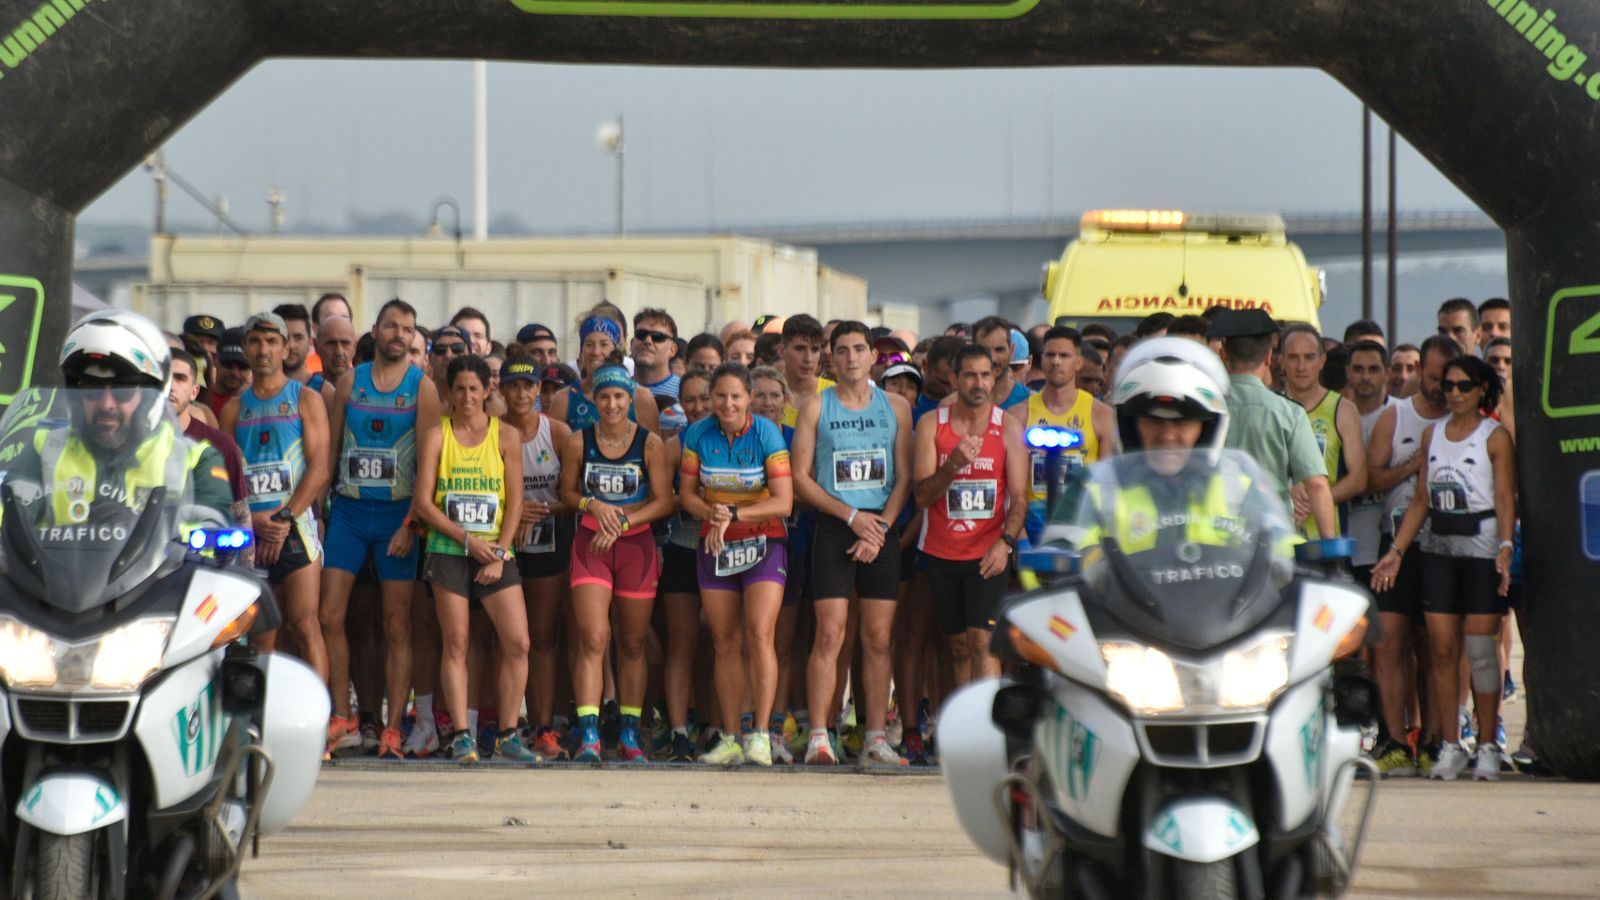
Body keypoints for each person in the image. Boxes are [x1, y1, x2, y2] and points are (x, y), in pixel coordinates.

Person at [1371, 354, 1514, 782]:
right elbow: (1421, 500)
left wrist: (1506, 545)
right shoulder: (1432, 435)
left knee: (1480, 651)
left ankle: (1487, 743)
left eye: (1463, 386)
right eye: (1448, 386)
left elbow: (1506, 497)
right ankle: (1449, 743)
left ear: (1481, 391)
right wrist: (1396, 550)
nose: (1453, 393)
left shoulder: (1495, 437)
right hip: (1437, 550)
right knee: (1442, 650)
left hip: (1481, 550)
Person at [321, 299, 442, 760]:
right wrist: (321, 506)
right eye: (391, 325)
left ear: (413, 337)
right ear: (376, 330)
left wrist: (412, 522)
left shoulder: (422, 388)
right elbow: (331, 450)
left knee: (397, 625)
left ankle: (392, 726)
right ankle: (342, 717)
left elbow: (427, 466)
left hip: (395, 516)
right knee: (330, 615)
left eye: (407, 328)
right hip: (350, 512)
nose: (398, 333)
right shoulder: (350, 382)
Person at [792, 322, 915, 766]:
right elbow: (800, 480)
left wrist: (879, 526)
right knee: (829, 634)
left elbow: (904, 476)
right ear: (831, 357)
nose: (851, 358)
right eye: (841, 350)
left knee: (879, 638)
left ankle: (876, 736)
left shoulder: (896, 407)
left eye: (859, 349)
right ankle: (819, 735)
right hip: (835, 526)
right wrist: (851, 517)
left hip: (880, 529)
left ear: (872, 357)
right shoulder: (814, 407)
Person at [412, 354, 535, 763]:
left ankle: (507, 734)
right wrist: (467, 541)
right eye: (460, 389)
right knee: (457, 641)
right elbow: (424, 505)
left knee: (518, 641)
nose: (467, 396)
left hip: (496, 551)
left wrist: (498, 551)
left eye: (474, 389)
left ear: (488, 391)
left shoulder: (506, 436)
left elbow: (516, 500)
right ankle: (463, 735)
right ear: (450, 392)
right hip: (449, 550)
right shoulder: (436, 436)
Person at [9, 311, 234, 528]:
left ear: (149, 398)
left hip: (160, 568)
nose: (106, 404)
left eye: (122, 392)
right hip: (51, 567)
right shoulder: (45, 447)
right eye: (92, 391)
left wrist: (139, 528)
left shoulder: (194, 459)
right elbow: (10, 508)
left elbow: (212, 528)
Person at [679, 362, 795, 767]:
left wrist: (730, 511)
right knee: (724, 640)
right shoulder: (697, 434)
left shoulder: (767, 433)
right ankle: (731, 735)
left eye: (736, 396)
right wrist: (712, 515)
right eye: (721, 396)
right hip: (716, 544)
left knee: (760, 633)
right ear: (710, 398)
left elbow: (784, 502)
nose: (727, 403)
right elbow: (687, 496)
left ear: (748, 399)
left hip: (764, 542)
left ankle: (760, 734)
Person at [558, 360, 673, 763]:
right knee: (592, 638)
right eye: (604, 396)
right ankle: (589, 733)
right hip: (592, 544)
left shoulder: (650, 443)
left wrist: (623, 519)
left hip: (635, 548)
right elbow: (567, 494)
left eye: (619, 397)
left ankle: (629, 731)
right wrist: (594, 505)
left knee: (633, 642)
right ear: (593, 398)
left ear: (631, 399)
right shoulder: (578, 440)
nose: (611, 405)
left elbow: (664, 501)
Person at [1364, 334, 1459, 776]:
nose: (1443, 388)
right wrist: (1413, 465)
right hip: (1398, 544)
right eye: (1437, 378)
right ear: (1421, 369)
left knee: (1437, 647)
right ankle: (1395, 740)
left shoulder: (1464, 421)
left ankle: (1438, 738)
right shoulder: (1395, 416)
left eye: (1451, 380)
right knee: (1387, 642)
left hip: (1445, 545)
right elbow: (1371, 479)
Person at [220, 311, 331, 680]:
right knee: (261, 634)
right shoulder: (235, 409)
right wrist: (255, 523)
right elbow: (228, 477)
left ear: (286, 348)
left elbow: (319, 470)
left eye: (271, 341)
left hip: (295, 527)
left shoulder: (307, 399)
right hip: (253, 531)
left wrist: (283, 520)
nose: (262, 349)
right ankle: (258, 723)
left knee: (304, 625)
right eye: (255, 341)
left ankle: (323, 723)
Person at [913, 343, 1028, 687]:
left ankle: (987, 734)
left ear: (993, 378)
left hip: (988, 553)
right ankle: (965, 731)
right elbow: (921, 495)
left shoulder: (1007, 426)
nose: (978, 383)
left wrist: (1005, 543)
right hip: (942, 552)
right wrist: (954, 466)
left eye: (985, 374)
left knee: (982, 642)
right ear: (953, 379)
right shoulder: (933, 424)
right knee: (959, 647)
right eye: (970, 375)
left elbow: (1019, 499)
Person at [500, 355, 576, 761]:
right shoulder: (491, 431)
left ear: (539, 391)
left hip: (548, 538)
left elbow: (573, 497)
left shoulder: (557, 433)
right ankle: (504, 724)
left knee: (543, 638)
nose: (522, 394)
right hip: (502, 540)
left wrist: (536, 510)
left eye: (529, 386)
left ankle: (544, 727)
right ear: (502, 390)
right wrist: (514, 510)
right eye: (513, 386)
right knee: (508, 639)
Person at [1209, 309, 1337, 538]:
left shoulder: (1205, 408)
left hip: (1216, 538)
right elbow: (1316, 484)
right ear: (1269, 357)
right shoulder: (1289, 413)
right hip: (1271, 538)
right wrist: (1332, 550)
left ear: (1223, 355)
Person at [658, 368, 715, 762]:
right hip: (683, 548)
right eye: (688, 400)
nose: (696, 407)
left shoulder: (736, 439)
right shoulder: (674, 445)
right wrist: (695, 500)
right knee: (681, 645)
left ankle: (716, 726)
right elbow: (663, 501)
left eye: (704, 399)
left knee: (720, 643)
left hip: (725, 553)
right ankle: (679, 731)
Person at [1012, 326, 1117, 508]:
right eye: (1050, 355)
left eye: (1064, 356)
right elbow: (1011, 488)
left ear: (1078, 362)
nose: (1056, 362)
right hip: (1033, 519)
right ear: (1042, 360)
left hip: (1080, 516)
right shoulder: (1018, 415)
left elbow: (1107, 484)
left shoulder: (1102, 415)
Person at [1279, 324, 1367, 538]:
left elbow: (1359, 479)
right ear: (1280, 361)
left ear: (1322, 361)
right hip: (1278, 537)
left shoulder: (1342, 409)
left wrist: (1314, 499)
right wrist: (1284, 494)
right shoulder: (1271, 408)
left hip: (1326, 539)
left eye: (1309, 357)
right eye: (1293, 357)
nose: (1301, 366)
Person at [547, 306, 662, 435]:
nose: (596, 352)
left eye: (604, 344)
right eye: (589, 344)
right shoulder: (564, 399)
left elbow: (653, 450)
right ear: (581, 352)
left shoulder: (640, 397)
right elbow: (553, 451)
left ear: (616, 351)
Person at [1344, 340, 1397, 586]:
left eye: (1373, 369)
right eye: (1358, 369)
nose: (1365, 377)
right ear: (1348, 372)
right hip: (1346, 544)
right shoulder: (1336, 413)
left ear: (1387, 372)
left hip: (1389, 545)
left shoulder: (1401, 414)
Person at [168, 348, 247, 511]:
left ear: (194, 391)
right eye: (165, 378)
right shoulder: (133, 440)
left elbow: (240, 514)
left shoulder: (221, 444)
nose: (171, 387)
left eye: (180, 379)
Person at [779, 314, 833, 428]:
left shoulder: (834, 394)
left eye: (815, 349)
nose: (808, 358)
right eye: (800, 348)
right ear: (782, 351)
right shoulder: (768, 394)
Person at [969, 317, 1030, 411]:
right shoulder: (956, 403)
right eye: (985, 350)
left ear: (1011, 350)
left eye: (999, 350)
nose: (993, 358)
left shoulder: (1029, 400)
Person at [631, 307, 681, 402]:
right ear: (631, 344)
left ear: (672, 350)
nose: (648, 341)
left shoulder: (685, 392)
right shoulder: (616, 390)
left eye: (657, 337)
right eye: (641, 334)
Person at [912, 336, 963, 424]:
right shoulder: (907, 398)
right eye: (944, 382)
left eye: (958, 384)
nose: (951, 390)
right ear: (925, 366)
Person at [206, 328, 251, 419]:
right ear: (215, 360)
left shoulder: (259, 402)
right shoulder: (199, 398)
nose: (235, 373)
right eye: (228, 364)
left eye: (243, 366)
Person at [310, 314, 356, 402]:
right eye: (331, 343)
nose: (339, 352)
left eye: (345, 343)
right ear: (316, 346)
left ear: (354, 348)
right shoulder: (303, 390)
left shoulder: (367, 388)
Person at [272, 303, 316, 384]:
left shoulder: (325, 392)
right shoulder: (251, 393)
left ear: (310, 343)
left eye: (298, 338)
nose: (291, 345)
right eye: (284, 337)